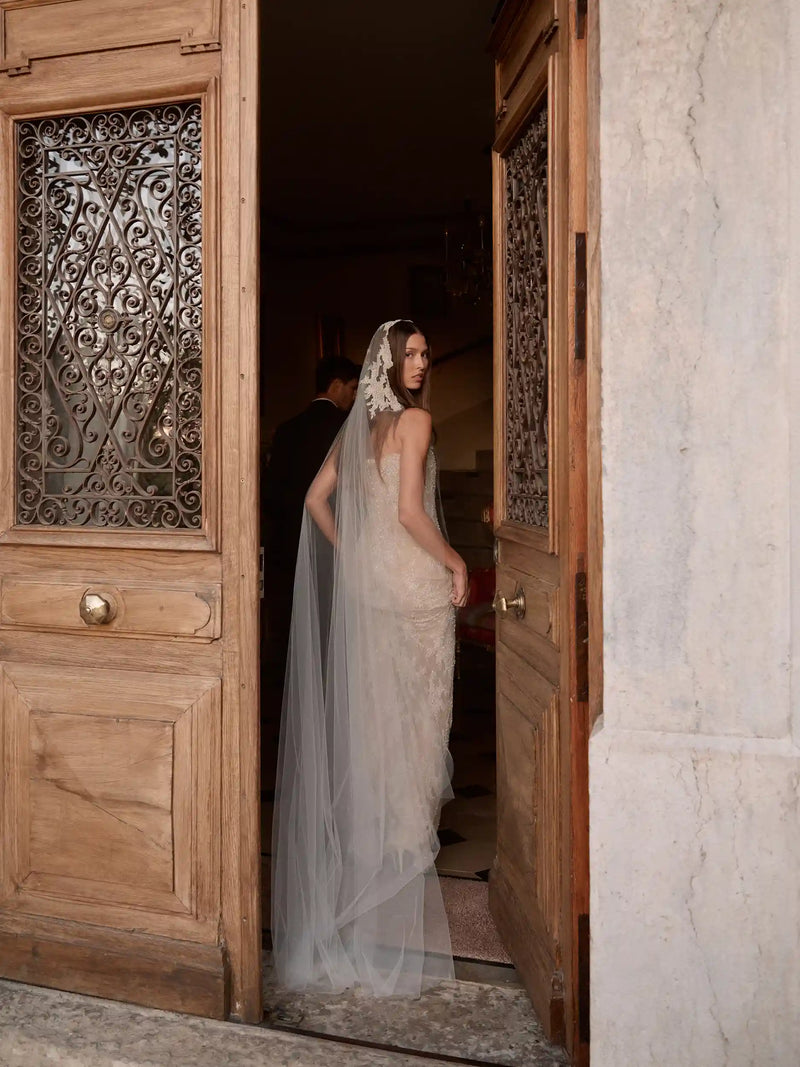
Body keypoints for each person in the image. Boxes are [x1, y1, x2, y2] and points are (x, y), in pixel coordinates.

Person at [272, 320, 469, 999]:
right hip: (414, 590)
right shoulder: (416, 422)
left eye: (425, 352)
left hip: (373, 588)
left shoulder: (359, 428)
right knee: (418, 727)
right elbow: (412, 513)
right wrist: (456, 560)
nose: (420, 362)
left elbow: (314, 500)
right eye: (408, 353)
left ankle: (378, 863)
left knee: (382, 722)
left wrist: (354, 552)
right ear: (386, 361)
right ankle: (404, 864)